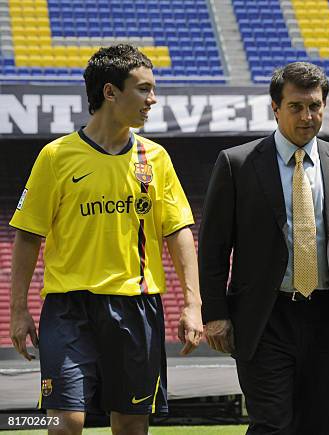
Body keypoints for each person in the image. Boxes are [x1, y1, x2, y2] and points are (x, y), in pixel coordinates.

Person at [9, 44, 203, 435]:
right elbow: (28, 237)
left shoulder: (156, 158)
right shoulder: (55, 156)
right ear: (110, 92)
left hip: (135, 306)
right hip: (68, 308)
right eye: (144, 89)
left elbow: (177, 232)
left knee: (131, 425)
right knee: (65, 423)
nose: (153, 99)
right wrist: (17, 309)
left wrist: (193, 305)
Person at [198, 61, 329, 434]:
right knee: (272, 423)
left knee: (318, 425)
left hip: (326, 317)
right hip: (264, 318)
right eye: (296, 107)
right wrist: (215, 313)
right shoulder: (236, 164)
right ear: (275, 108)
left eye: (315, 106)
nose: (307, 116)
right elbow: (213, 247)